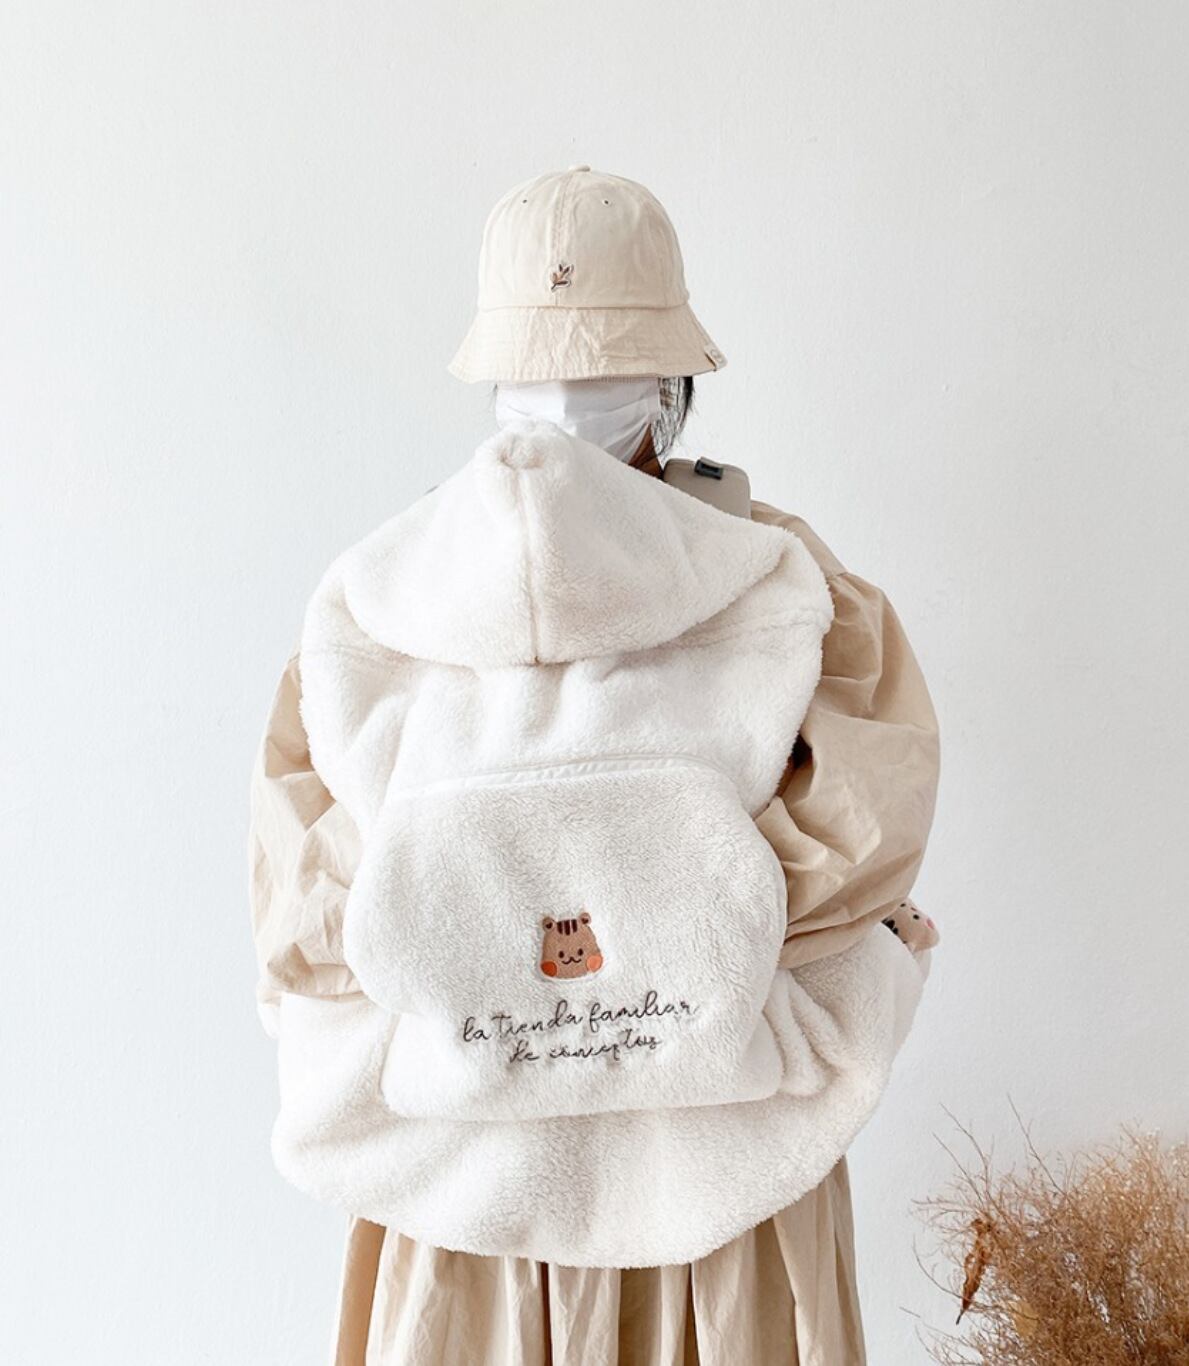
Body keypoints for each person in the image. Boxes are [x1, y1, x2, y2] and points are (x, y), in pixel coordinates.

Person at [249, 165, 940, 1365]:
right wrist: (678, 932)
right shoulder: (781, 579)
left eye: (588, 372)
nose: (567, 405)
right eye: (548, 374)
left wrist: (480, 945)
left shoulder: (382, 595)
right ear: (674, 383)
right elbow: (857, 839)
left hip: (463, 1178)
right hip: (710, 1160)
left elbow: (312, 907)